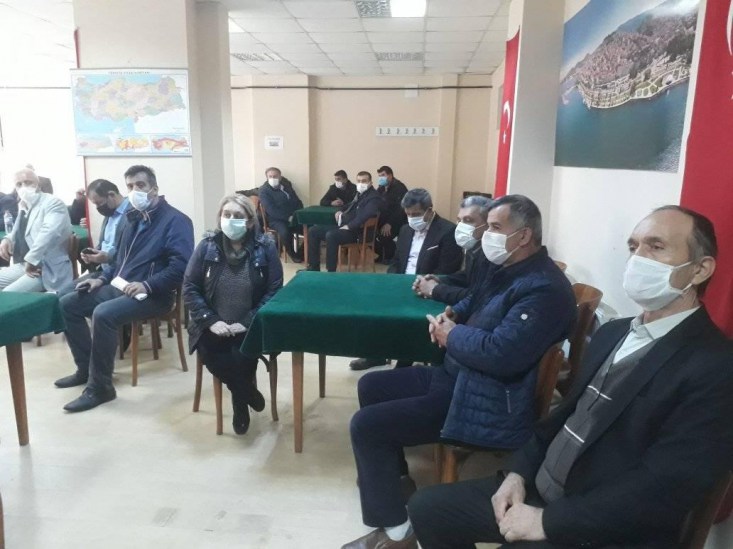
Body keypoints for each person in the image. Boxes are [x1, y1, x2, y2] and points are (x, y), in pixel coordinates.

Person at [407, 205, 733, 549]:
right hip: (542, 487)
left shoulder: (714, 365)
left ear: (700, 269)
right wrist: (516, 473)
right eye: (633, 247)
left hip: (603, 522)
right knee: (428, 508)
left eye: (656, 246)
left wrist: (548, 522)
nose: (638, 258)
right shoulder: (614, 332)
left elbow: (666, 486)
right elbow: (559, 418)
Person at [341, 195, 576, 549]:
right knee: (372, 385)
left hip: (485, 397)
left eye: (494, 227)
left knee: (366, 425)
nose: (486, 235)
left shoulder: (544, 289)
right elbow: (476, 299)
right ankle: (395, 482)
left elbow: (502, 354)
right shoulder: (508, 268)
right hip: (460, 375)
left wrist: (452, 336)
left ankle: (397, 533)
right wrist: (453, 314)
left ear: (524, 235)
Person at [55, 165, 194, 413]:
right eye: (130, 186)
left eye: (140, 185)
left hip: (155, 294)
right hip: (122, 285)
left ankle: (101, 388)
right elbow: (119, 260)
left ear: (154, 189)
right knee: (68, 304)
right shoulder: (131, 218)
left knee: (103, 314)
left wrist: (147, 284)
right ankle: (86, 369)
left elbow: (180, 267)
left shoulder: (176, 221)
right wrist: (101, 278)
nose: (134, 190)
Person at [184, 194, 283, 434]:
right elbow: (190, 287)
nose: (230, 220)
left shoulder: (265, 247)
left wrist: (247, 321)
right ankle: (246, 393)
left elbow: (274, 290)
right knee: (213, 354)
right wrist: (211, 321)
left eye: (238, 216)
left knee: (242, 356)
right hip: (210, 323)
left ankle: (240, 406)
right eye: (226, 214)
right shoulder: (207, 246)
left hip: (250, 323)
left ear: (249, 221)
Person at [349, 189, 463, 371]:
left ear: (429, 210)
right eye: (408, 214)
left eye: (416, 214)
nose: (411, 218)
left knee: (407, 318)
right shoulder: (405, 229)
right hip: (401, 284)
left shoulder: (448, 232)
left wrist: (425, 286)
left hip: (428, 290)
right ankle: (376, 354)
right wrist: (392, 281)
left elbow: (446, 271)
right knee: (373, 308)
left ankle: (404, 362)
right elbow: (396, 261)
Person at [0, 168, 72, 292]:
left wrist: (31, 259)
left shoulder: (53, 203)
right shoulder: (23, 204)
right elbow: (18, 230)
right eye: (19, 184)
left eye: (28, 182)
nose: (23, 187)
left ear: (38, 184)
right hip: (23, 264)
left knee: (8, 295)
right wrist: (7, 239)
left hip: (47, 268)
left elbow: (48, 233)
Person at [413, 195, 492, 305]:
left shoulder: (493, 255)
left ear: (488, 224)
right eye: (459, 220)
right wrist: (439, 280)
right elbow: (467, 276)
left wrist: (434, 290)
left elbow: (478, 297)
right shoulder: (474, 247)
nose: (461, 226)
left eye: (468, 220)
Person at [58, 179, 130, 295]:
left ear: (111, 195)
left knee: (69, 300)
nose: (98, 208)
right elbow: (105, 243)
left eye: (99, 203)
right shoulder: (110, 213)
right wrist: (93, 254)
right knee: (62, 293)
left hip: (120, 275)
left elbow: (131, 251)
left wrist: (108, 257)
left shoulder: (133, 214)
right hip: (103, 270)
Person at [306, 171, 383, 272]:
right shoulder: (360, 194)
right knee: (313, 231)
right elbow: (350, 205)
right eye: (359, 181)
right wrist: (340, 210)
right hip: (347, 228)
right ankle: (313, 268)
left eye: (364, 181)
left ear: (370, 183)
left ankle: (331, 271)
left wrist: (349, 226)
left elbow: (365, 215)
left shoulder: (374, 197)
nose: (361, 183)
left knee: (331, 235)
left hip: (358, 233)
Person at [258, 167, 304, 262]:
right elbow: (271, 210)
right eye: (270, 176)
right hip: (276, 220)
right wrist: (288, 217)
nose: (272, 178)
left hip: (294, 217)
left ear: (280, 177)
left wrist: (298, 214)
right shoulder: (264, 190)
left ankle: (302, 253)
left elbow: (297, 202)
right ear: (267, 177)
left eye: (275, 176)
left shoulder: (286, 187)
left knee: (310, 230)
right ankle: (292, 254)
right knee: (285, 232)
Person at [373, 165, 408, 264]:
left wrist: (389, 224)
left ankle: (392, 257)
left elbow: (400, 209)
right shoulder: (381, 188)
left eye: (383, 175)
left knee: (384, 236)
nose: (381, 178)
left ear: (390, 175)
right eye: (379, 176)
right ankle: (382, 256)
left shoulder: (399, 188)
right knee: (369, 235)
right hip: (383, 220)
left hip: (398, 221)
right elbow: (375, 200)